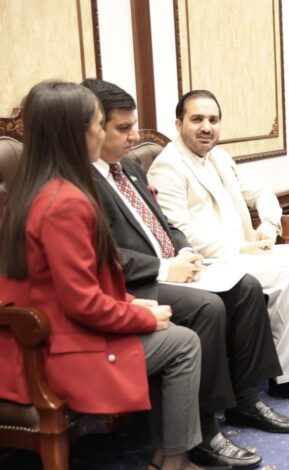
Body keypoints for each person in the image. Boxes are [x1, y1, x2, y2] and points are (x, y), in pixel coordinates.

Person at [82, 79, 289, 468]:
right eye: (123, 128)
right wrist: (167, 266)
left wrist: (183, 251)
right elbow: (103, 255)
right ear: (93, 126)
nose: (135, 137)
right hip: (134, 282)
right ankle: (204, 431)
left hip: (173, 265)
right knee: (207, 307)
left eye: (134, 126)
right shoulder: (83, 181)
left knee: (246, 287)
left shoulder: (127, 167)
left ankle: (246, 401)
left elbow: (165, 224)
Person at [0, 80, 202, 470]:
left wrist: (130, 302)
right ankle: (174, 462)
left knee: (174, 329)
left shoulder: (28, 189)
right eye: (98, 123)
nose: (101, 132)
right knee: (183, 343)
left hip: (27, 344)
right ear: (76, 134)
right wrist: (142, 317)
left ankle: (167, 458)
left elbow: (70, 284)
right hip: (52, 353)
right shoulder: (65, 202)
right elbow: (82, 302)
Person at [148, 90, 289, 404]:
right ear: (179, 124)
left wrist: (268, 226)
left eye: (213, 120)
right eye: (197, 119)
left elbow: (261, 193)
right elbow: (181, 234)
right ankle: (286, 378)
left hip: (247, 252)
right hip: (211, 263)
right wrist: (240, 248)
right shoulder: (167, 167)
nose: (207, 127)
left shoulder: (219, 157)